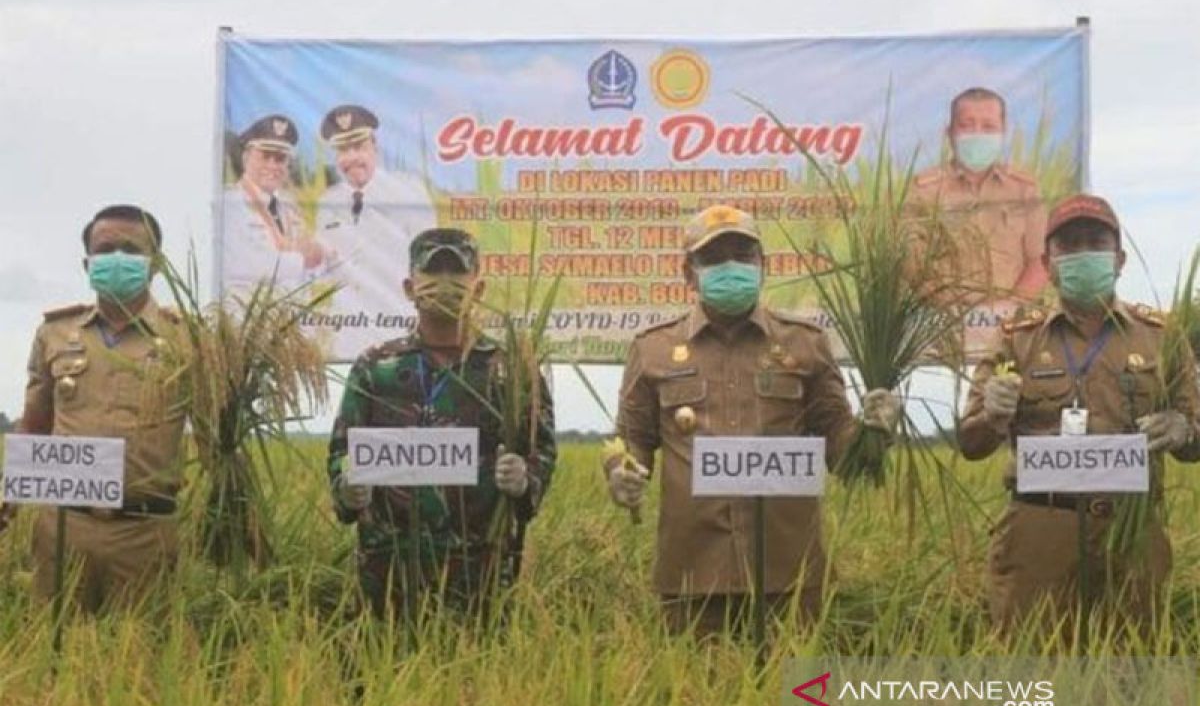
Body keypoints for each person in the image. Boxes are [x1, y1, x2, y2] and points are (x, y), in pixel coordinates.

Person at [605, 205, 902, 636]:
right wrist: (621, 471)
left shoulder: (806, 345)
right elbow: (631, 438)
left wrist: (876, 431)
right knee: (694, 699)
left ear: (765, 267)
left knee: (800, 696)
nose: (731, 268)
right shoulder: (652, 350)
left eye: (743, 257)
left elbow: (842, 451)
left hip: (791, 575)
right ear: (689, 274)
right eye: (713, 259)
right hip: (693, 573)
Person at [959, 194, 1200, 632]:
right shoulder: (1017, 340)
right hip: (1038, 535)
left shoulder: (1161, 337)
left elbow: (1195, 439)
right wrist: (991, 416)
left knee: (1132, 673)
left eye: (1095, 242)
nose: (1082, 253)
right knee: (1031, 673)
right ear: (1047, 264)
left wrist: (1184, 428)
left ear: (1120, 258)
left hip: (1131, 535)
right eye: (1069, 246)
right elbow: (971, 444)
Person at [326, 228, 556, 617]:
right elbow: (342, 453)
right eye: (432, 273)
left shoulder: (510, 369)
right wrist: (347, 489)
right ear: (409, 287)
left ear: (478, 288)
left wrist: (525, 479)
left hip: (480, 572)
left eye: (457, 273)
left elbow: (542, 451)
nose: (444, 284)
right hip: (390, 573)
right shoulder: (376, 368)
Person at [18, 205, 187, 612]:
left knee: (140, 659)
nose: (116, 258)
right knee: (54, 656)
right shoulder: (55, 333)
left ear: (156, 264)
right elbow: (35, 427)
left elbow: (218, 438)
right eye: (105, 249)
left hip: (144, 532)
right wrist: (9, 497)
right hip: (62, 528)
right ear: (87, 262)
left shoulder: (188, 340)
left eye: (130, 249)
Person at [312, 104, 439, 353]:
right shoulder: (328, 203)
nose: (351, 158)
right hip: (348, 334)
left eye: (358, 147)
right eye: (342, 150)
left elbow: (429, 266)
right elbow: (322, 270)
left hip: (398, 328)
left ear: (375, 148)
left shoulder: (407, 194)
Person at [910, 87, 1049, 301]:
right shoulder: (924, 191)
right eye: (967, 126)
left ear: (1003, 132)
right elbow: (912, 266)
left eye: (988, 127)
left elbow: (1039, 261)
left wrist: (1007, 311)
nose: (978, 134)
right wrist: (951, 314)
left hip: (1011, 324)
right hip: (942, 323)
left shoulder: (1024, 190)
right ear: (949, 133)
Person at [219, 113, 325, 289]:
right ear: (246, 158)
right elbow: (245, 265)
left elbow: (314, 267)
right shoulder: (232, 204)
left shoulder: (289, 209)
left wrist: (316, 258)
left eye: (280, 159)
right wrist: (304, 259)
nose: (273, 165)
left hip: (291, 312)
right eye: (265, 156)